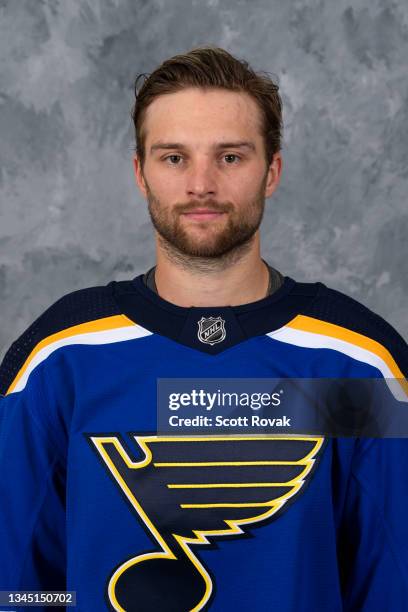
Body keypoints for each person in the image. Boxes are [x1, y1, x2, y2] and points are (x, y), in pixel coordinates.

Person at [0, 45, 407, 612]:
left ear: (272, 171)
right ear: (141, 173)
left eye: (231, 157)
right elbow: (19, 587)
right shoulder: (59, 359)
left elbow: (390, 586)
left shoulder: (355, 362)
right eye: (174, 158)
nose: (201, 184)